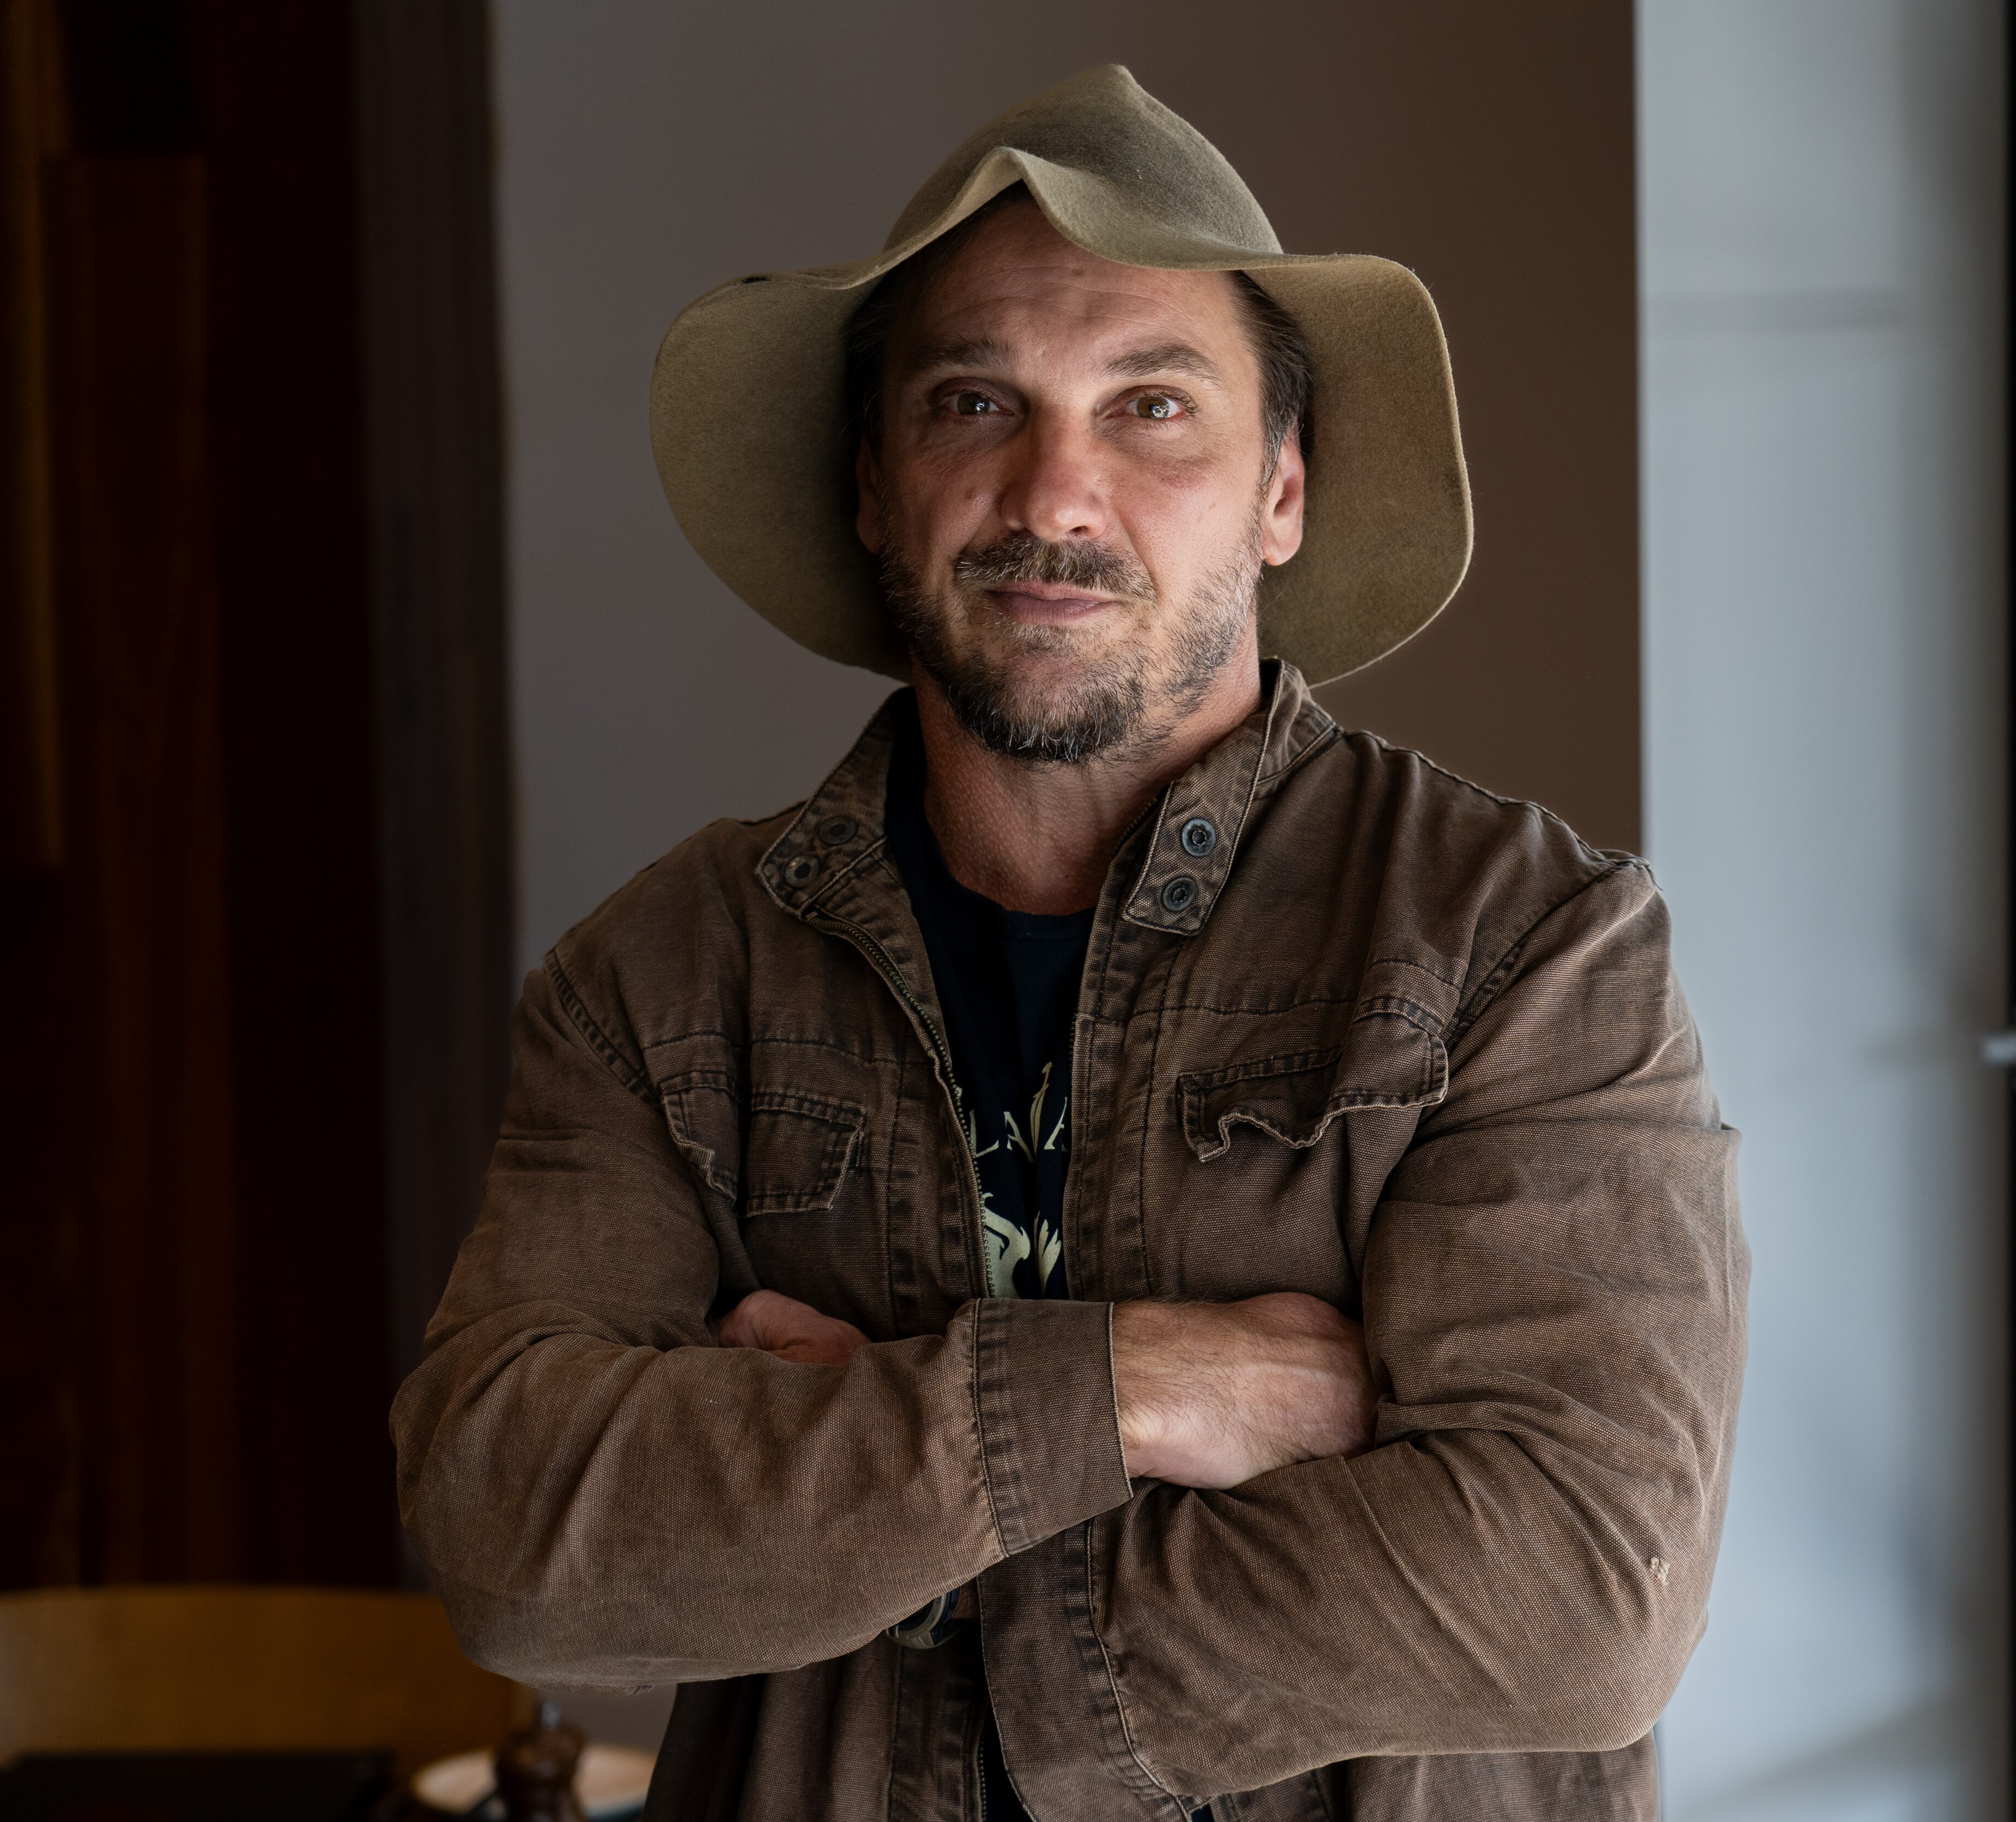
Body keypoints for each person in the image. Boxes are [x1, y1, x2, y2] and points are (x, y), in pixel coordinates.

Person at [393, 66, 1745, 1822]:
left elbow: (1580, 1596)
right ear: (879, 488)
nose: (1057, 492)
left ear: (1281, 494)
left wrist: (881, 1508)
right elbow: (512, 1531)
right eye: (975, 401)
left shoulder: (1525, 947)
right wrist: (1145, 1390)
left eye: (1153, 406)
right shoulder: (659, 983)